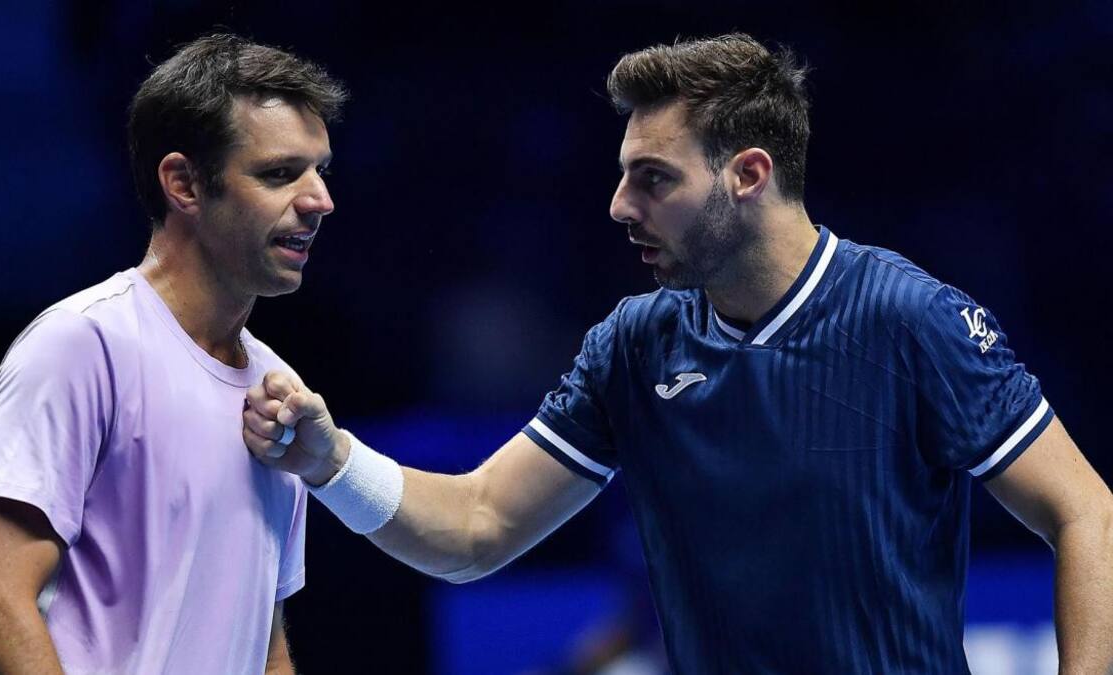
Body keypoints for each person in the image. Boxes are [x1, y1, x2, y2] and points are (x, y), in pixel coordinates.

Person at [242, 34, 1113, 673]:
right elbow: (475, 527)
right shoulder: (634, 343)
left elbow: (1086, 513)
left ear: (748, 174)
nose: (620, 205)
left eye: (653, 178)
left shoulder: (911, 318)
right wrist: (331, 461)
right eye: (624, 175)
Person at [0, 34, 344, 674]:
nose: (318, 201)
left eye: (319, 171)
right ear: (184, 183)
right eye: (279, 174)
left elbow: (263, 642)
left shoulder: (280, 387)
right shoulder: (80, 345)